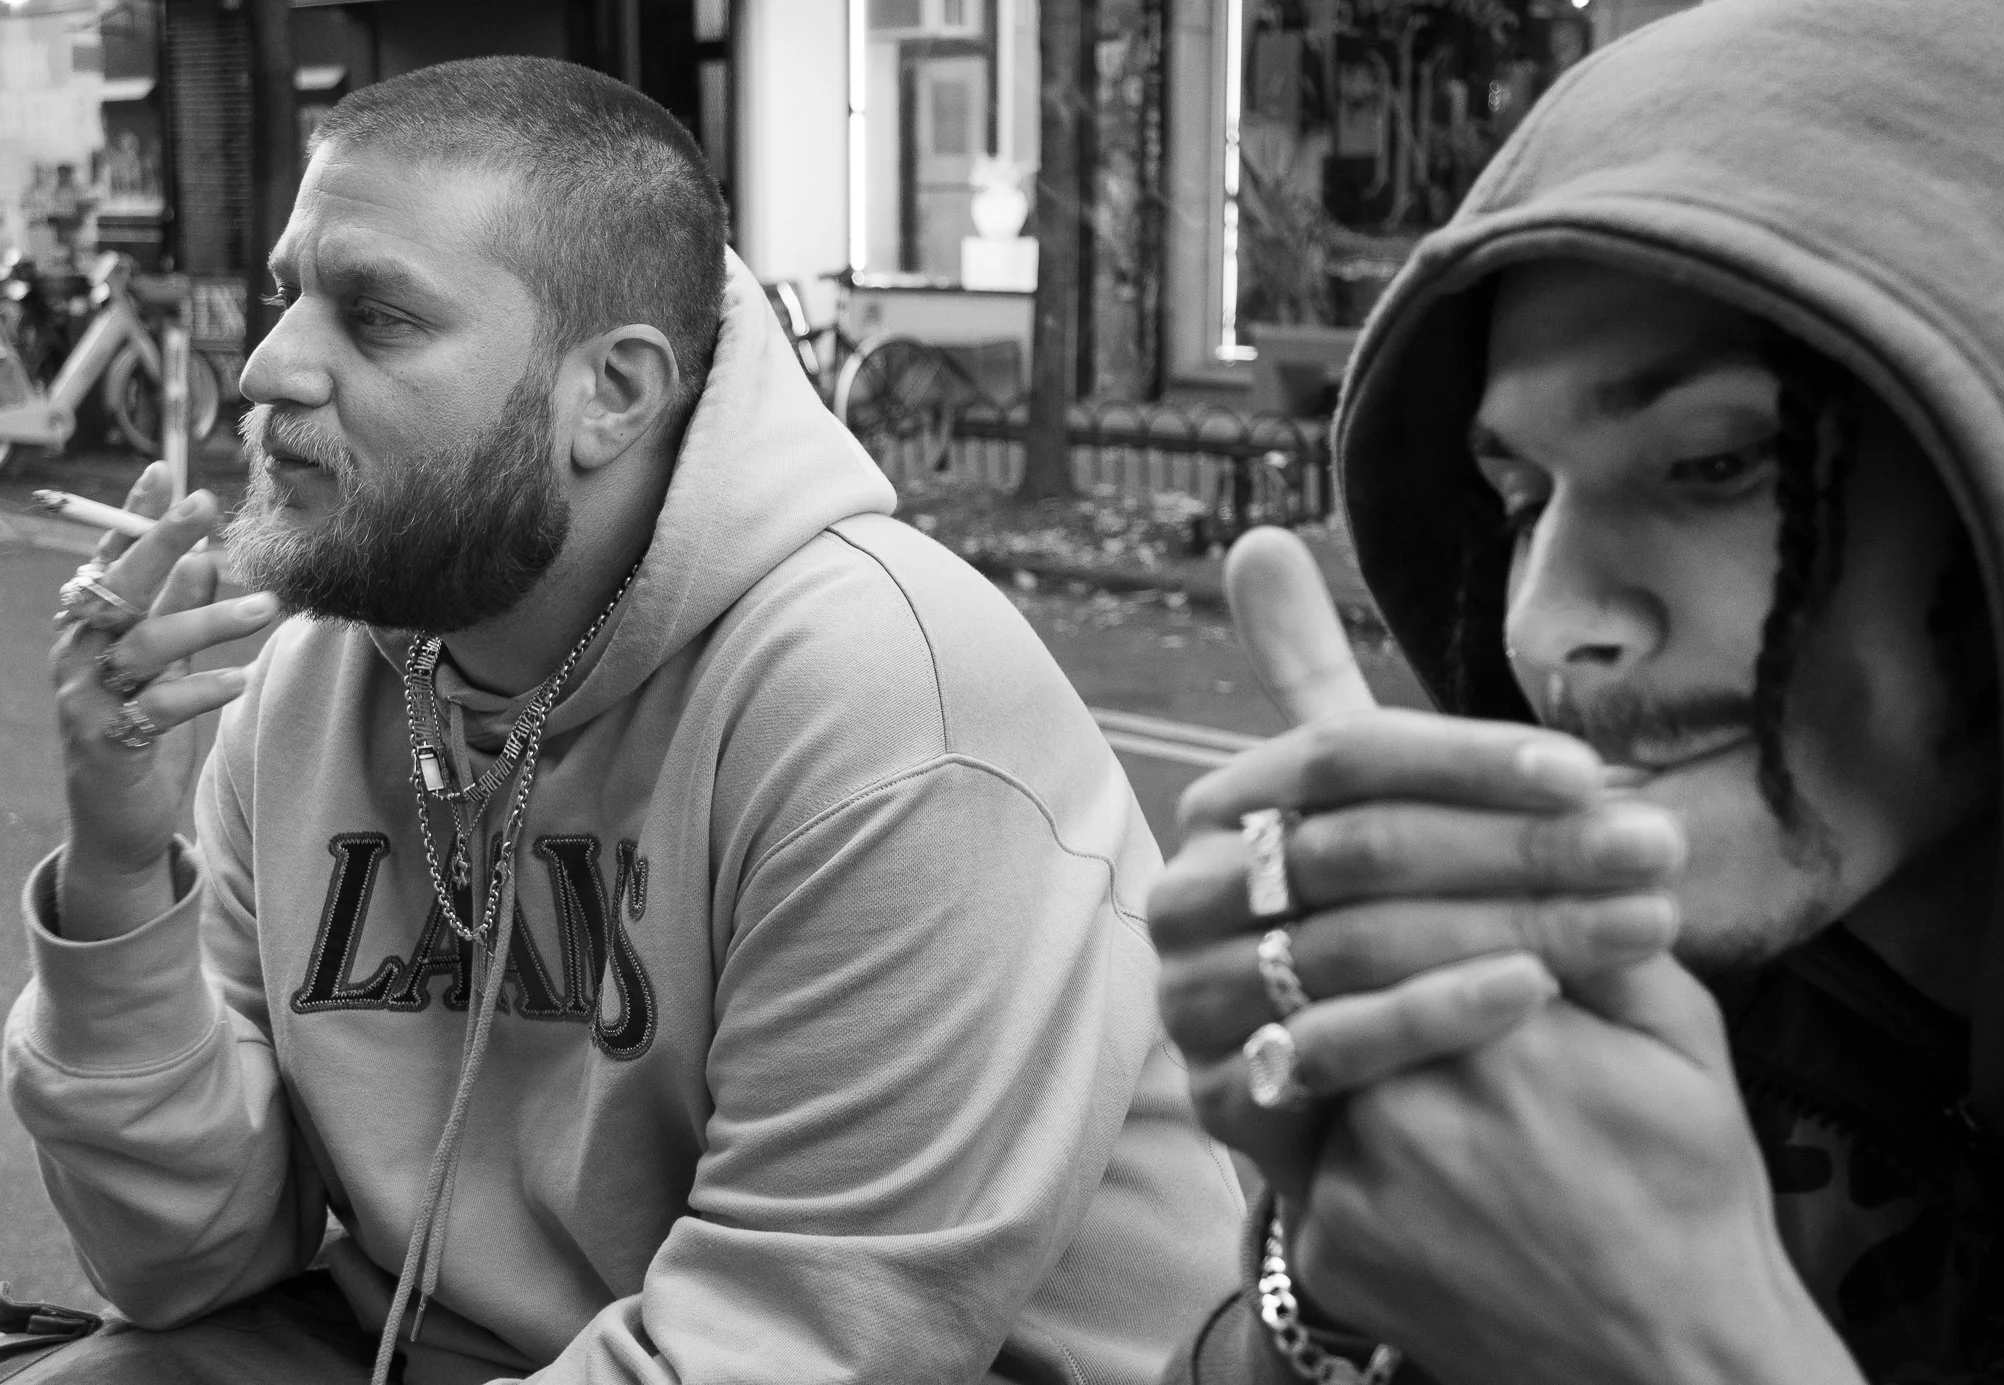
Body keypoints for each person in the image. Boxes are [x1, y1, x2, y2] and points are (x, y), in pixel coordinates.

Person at [3, 57, 1240, 1385]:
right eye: (289, 295)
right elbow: (188, 1266)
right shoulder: (320, 677)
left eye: (375, 316)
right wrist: (123, 872)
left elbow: (790, 1346)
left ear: (614, 393)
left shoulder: (886, 706)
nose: (266, 368)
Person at [1153, 0, 2004, 1380]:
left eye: (1714, 465)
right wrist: (1340, 1296)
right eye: (1518, 498)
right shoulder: (1594, 1019)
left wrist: (1683, 1343)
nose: (1545, 628)